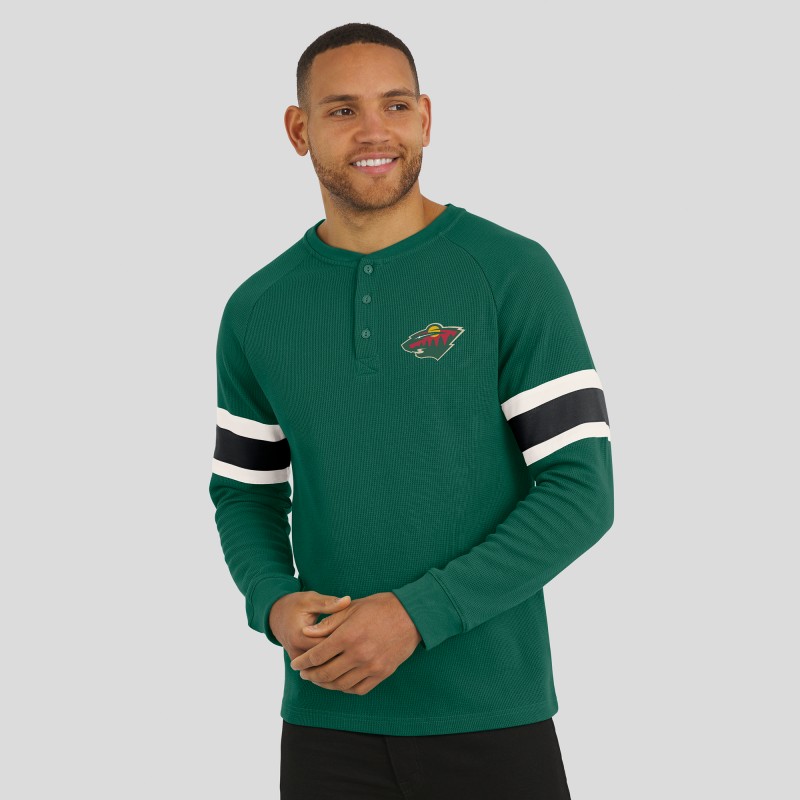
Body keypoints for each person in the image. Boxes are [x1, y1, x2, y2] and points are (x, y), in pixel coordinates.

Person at [208, 21, 614, 800]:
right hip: (327, 718)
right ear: (298, 129)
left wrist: (416, 615)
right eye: (342, 110)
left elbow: (582, 490)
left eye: (395, 105)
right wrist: (273, 601)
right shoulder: (257, 308)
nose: (374, 131)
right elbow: (244, 492)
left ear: (425, 118)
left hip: (490, 712)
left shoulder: (509, 272)